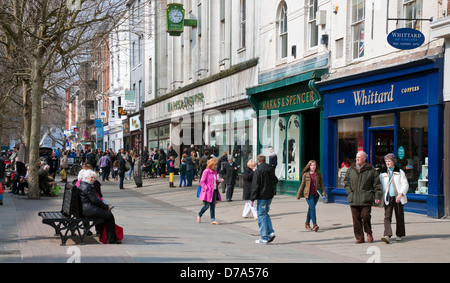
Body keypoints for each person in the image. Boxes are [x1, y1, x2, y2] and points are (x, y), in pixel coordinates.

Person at [344, 150, 382, 244]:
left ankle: (369, 233)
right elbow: (346, 182)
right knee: (356, 218)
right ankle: (359, 237)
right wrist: (349, 193)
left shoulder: (371, 170)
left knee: (365, 216)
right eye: (356, 157)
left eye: (359, 157)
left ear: (364, 158)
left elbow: (377, 185)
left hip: (366, 197)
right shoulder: (351, 169)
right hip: (354, 197)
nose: (357, 159)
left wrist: (377, 196)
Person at [78, 169, 121, 244]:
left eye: (94, 178)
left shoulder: (82, 184)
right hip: (88, 210)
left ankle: (103, 236)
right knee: (109, 215)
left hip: (84, 209)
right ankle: (111, 239)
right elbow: (95, 200)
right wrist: (106, 207)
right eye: (91, 177)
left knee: (104, 215)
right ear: (86, 177)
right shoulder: (88, 187)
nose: (93, 179)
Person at [379, 153, 409, 244]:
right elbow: (380, 185)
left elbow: (405, 184)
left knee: (399, 216)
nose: (387, 163)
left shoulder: (400, 172)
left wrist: (401, 194)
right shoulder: (383, 173)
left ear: (393, 162)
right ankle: (387, 235)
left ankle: (399, 234)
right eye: (386, 161)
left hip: (398, 197)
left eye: (389, 161)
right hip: (388, 197)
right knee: (387, 216)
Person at [251, 154, 278, 244]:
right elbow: (275, 180)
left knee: (261, 215)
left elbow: (255, 185)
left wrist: (252, 199)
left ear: (258, 161)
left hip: (262, 196)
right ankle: (270, 232)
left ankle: (264, 237)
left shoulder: (258, 171)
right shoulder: (270, 169)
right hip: (269, 195)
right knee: (265, 214)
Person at [296, 160, 326, 232]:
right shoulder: (305, 174)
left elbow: (321, 184)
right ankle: (315, 224)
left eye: (314, 165)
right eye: (312, 165)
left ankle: (306, 223)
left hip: (316, 194)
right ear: (309, 166)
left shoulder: (318, 174)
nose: (313, 166)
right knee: (312, 208)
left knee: (311, 208)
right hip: (308, 194)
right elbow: (302, 185)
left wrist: (323, 192)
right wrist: (299, 194)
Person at [197, 158, 224, 225]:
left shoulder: (215, 172)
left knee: (213, 206)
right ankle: (199, 215)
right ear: (210, 165)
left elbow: (215, 181)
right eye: (214, 165)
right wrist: (206, 188)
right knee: (206, 205)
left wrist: (219, 180)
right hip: (208, 192)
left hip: (214, 191)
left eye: (215, 165)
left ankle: (213, 219)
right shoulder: (206, 171)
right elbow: (202, 182)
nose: (215, 166)